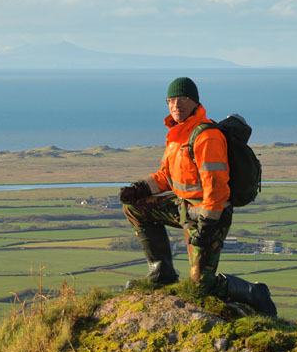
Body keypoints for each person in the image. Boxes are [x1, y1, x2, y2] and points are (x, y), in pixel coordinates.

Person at [118, 77, 276, 316]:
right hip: (185, 208)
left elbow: (217, 188)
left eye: (182, 99)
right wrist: (139, 189)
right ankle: (162, 273)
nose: (176, 105)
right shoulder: (177, 135)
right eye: (171, 100)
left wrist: (208, 225)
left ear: (194, 102)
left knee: (201, 286)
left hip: (211, 213)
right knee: (135, 207)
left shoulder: (205, 136)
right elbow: (166, 175)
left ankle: (254, 293)